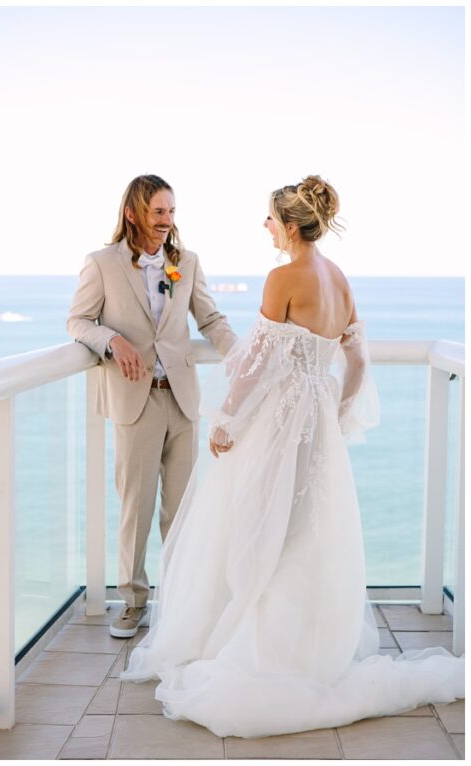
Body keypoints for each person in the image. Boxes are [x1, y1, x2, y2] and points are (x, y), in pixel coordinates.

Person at [121, 176, 464, 738]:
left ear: (289, 224)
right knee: (306, 531)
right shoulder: (340, 280)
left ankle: (259, 650)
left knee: (259, 526)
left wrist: (225, 422)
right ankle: (308, 650)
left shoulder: (284, 277)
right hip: (318, 423)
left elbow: (255, 364)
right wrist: (340, 412)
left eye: (269, 219)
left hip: (279, 426)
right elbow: (356, 364)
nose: (265, 227)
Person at [67, 174, 236, 639]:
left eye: (172, 212)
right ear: (132, 213)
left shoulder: (188, 262)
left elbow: (211, 318)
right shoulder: (101, 263)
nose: (167, 221)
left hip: (182, 400)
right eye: (159, 211)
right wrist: (112, 340)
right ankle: (133, 601)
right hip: (134, 401)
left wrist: (242, 355)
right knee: (136, 508)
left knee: (182, 510)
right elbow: (77, 321)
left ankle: (181, 602)